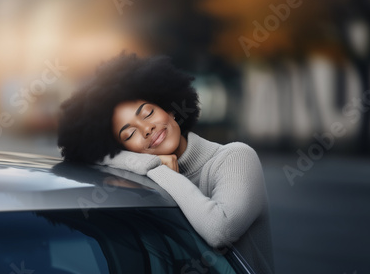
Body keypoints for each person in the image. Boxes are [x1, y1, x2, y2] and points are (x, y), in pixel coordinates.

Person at [57, 52, 275, 274]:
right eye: (130, 134)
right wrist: (150, 164)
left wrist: (158, 169)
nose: (147, 129)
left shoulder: (235, 158)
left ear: (170, 109)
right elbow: (92, 155)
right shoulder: (140, 174)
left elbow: (220, 232)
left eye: (148, 113)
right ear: (123, 150)